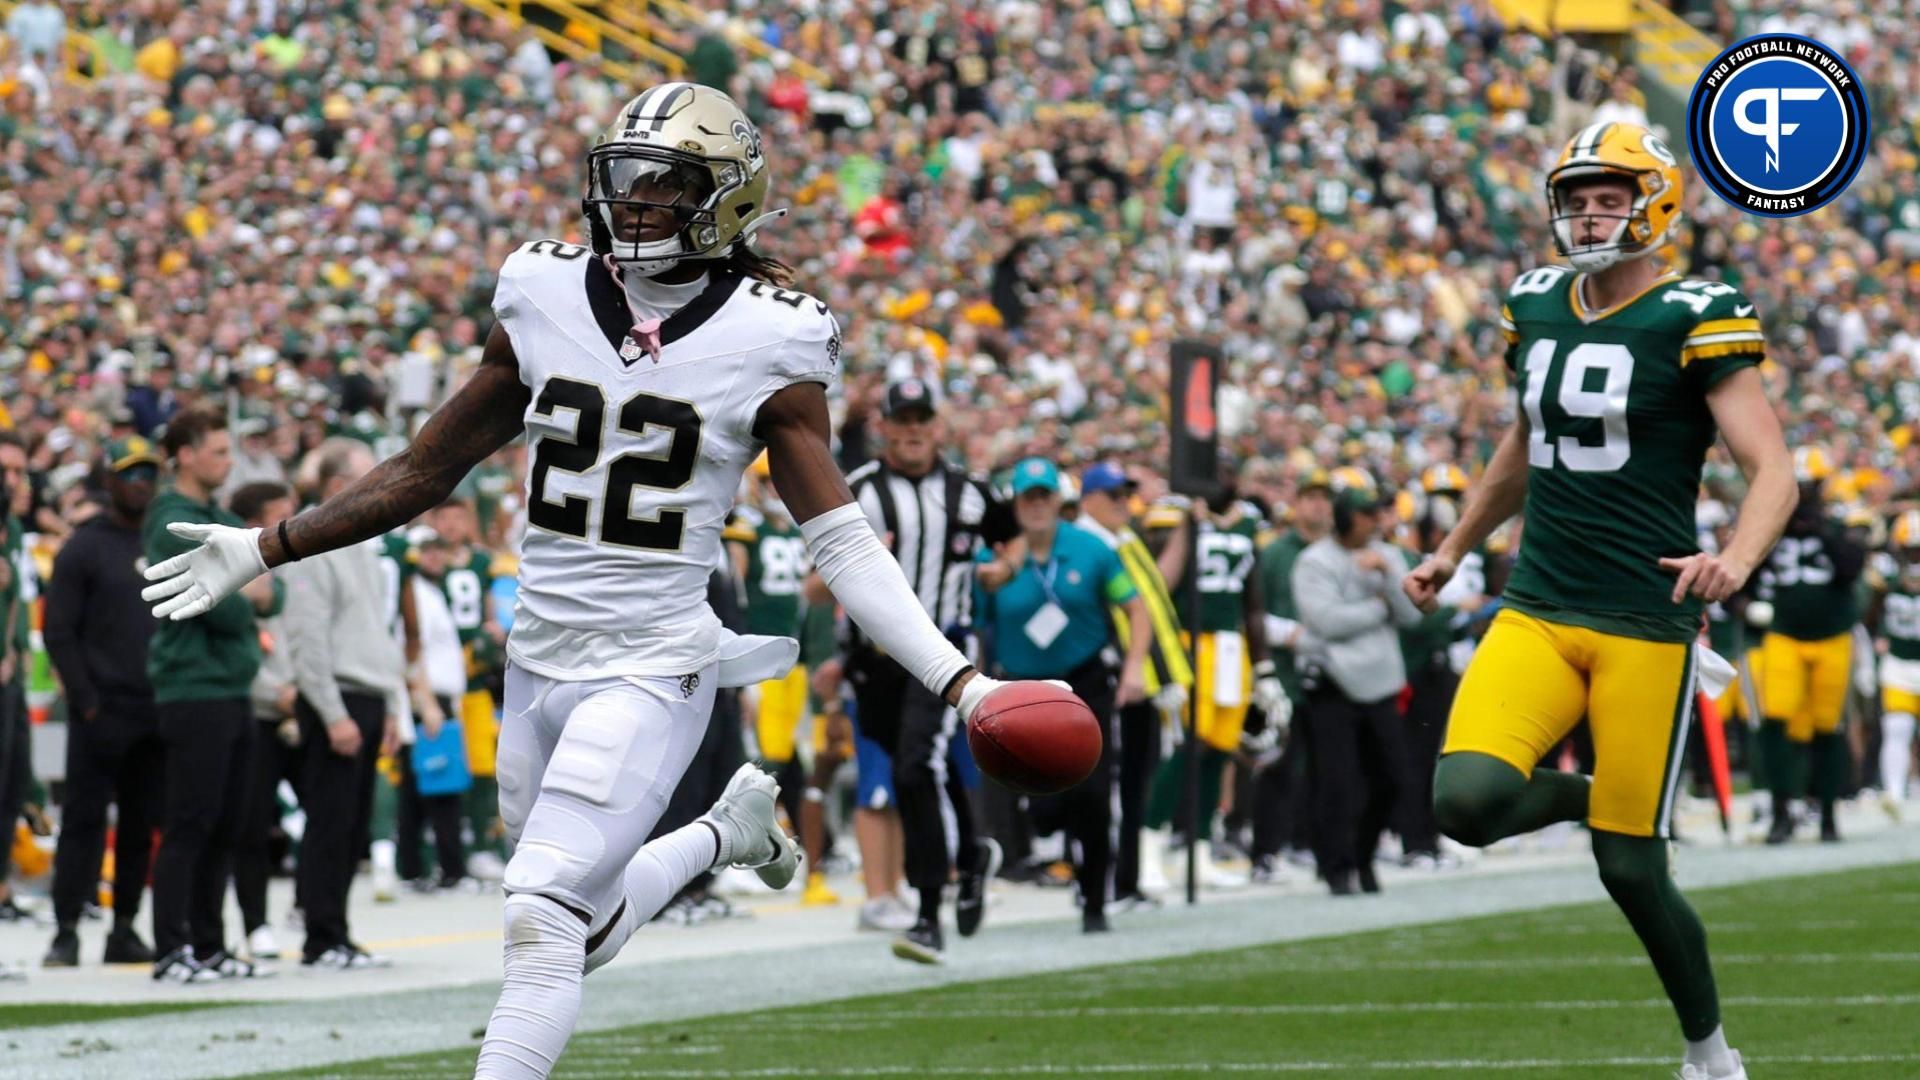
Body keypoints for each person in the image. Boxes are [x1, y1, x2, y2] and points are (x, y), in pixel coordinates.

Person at [143, 83, 1061, 1079]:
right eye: (625, 184)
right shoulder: (540, 292)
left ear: (728, 202)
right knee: (575, 928)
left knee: (539, 915)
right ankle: (722, 836)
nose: (636, 209)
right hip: (535, 661)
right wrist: (268, 543)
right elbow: (424, 471)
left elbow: (838, 539)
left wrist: (960, 682)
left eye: (666, 190)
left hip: (651, 661)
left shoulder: (773, 334)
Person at [1403, 122, 1794, 1080]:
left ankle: (1710, 1053)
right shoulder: (1535, 302)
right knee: (1466, 800)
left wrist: (1736, 558)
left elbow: (1771, 467)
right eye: (1576, 197)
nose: (1588, 213)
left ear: (1653, 202)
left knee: (1629, 870)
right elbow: (1524, 445)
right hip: (1537, 602)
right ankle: (1608, 799)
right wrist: (1457, 546)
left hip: (1642, 618)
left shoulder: (1695, 311)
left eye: (1609, 196)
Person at [843, 375, 1013, 963]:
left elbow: (1009, 542)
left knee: (918, 768)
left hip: (943, 653)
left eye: (922, 420)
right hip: (874, 660)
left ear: (937, 427)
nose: (913, 431)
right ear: (884, 427)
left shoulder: (970, 491)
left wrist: (1000, 571)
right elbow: (821, 577)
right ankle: (972, 856)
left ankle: (927, 910)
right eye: (903, 420)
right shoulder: (859, 490)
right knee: (919, 769)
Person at [974, 457, 1150, 933]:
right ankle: (1046, 851)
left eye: (1043, 495)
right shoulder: (994, 559)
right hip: (1019, 688)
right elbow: (973, 623)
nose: (1036, 505)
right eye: (1027, 497)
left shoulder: (1092, 550)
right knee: (1037, 797)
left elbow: (1136, 609)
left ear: (1058, 500)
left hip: (1083, 681)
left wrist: (1134, 669)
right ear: (1015, 504)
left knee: (1092, 794)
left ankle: (1094, 897)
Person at [144, 406, 284, 983]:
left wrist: (250, 596)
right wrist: (246, 597)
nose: (228, 462)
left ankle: (210, 944)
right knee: (190, 823)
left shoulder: (220, 516)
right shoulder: (171, 520)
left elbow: (273, 595)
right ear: (185, 454)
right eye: (219, 452)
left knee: (227, 822)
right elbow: (212, 603)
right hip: (193, 687)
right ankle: (172, 949)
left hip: (232, 687)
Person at [281, 438, 408, 967]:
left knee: (351, 826)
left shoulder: (361, 541)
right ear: (338, 486)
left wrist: (393, 703)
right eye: (366, 476)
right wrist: (332, 712)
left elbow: (377, 630)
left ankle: (337, 930)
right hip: (337, 697)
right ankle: (320, 934)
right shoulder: (310, 539)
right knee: (330, 823)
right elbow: (308, 639)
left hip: (366, 693)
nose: (377, 486)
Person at [41, 438, 166, 968]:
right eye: (128, 473)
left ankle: (124, 927)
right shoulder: (84, 547)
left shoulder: (166, 541)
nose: (140, 482)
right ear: (108, 482)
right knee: (83, 822)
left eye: (147, 474)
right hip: (101, 708)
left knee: (141, 825)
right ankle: (66, 929)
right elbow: (58, 630)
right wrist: (86, 699)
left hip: (156, 706)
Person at [1292, 467, 1427, 895]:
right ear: (1349, 517)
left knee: (1392, 777)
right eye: (1369, 514)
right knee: (1337, 781)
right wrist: (1377, 608)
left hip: (1381, 681)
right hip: (1333, 681)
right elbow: (1327, 621)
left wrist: (1388, 579)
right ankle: (1337, 867)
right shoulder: (1314, 561)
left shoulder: (1391, 556)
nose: (1377, 521)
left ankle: (1366, 855)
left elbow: (1411, 613)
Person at [1071, 461, 1190, 909]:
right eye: (1115, 495)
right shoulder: (1087, 545)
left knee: (1137, 781)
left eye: (1127, 495)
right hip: (1107, 679)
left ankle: (1127, 878)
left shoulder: (1121, 538)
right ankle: (1100, 882)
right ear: (1090, 499)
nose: (1126, 503)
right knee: (1109, 787)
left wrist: (1186, 530)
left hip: (1140, 679)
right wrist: (1129, 668)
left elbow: (1157, 590)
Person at [1754, 475, 1865, 844]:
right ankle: (1782, 809)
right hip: (1784, 634)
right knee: (1775, 721)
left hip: (1832, 636)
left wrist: (1820, 528)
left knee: (1827, 727)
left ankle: (1828, 812)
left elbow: (1851, 570)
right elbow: (1746, 571)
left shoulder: (1836, 527)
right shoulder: (1771, 526)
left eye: (1807, 491)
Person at [232, 480, 303, 963]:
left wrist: (300, 691)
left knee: (323, 815)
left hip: (296, 703)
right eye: (282, 511)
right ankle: (254, 922)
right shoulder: (236, 562)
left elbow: (300, 631)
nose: (294, 517)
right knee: (252, 824)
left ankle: (310, 908)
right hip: (257, 710)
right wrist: (275, 695)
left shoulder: (295, 565)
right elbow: (241, 645)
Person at [1867, 511, 1920, 817]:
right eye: (1910, 550)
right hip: (1899, 664)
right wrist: (1877, 635)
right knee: (1897, 727)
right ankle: (1894, 793)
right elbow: (1870, 615)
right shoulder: (1885, 580)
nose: (1914, 558)